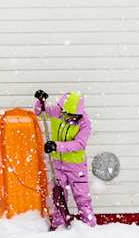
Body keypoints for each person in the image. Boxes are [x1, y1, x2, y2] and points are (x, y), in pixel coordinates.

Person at [34, 90, 96, 229]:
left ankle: (89, 226)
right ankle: (59, 224)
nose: (70, 118)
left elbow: (79, 144)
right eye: (67, 114)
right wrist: (40, 101)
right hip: (57, 164)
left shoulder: (85, 122)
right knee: (59, 196)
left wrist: (57, 146)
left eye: (74, 116)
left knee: (82, 197)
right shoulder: (58, 112)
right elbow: (39, 111)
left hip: (76, 166)